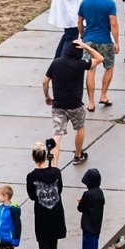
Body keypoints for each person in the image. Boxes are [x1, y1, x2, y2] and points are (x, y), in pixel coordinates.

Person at [43, 38, 101, 166]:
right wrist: (86, 46)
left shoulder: (56, 63)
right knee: (80, 128)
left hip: (58, 105)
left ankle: (54, 165)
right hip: (75, 105)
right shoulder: (80, 64)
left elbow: (45, 81)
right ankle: (78, 155)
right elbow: (99, 58)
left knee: (57, 135)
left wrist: (47, 96)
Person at [26, 141, 66, 249]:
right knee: (53, 244)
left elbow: (31, 196)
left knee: (43, 245)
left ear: (33, 157)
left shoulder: (32, 176)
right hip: (56, 212)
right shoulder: (57, 172)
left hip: (42, 214)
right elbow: (59, 190)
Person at [77, 0, 120, 108]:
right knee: (109, 67)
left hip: (89, 40)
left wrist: (83, 35)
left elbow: (79, 21)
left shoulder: (85, 2)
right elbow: (113, 24)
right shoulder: (110, 3)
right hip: (105, 40)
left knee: (90, 70)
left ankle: (90, 102)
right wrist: (117, 41)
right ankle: (103, 95)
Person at [78, 168, 105, 249]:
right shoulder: (100, 193)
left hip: (88, 227)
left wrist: (81, 202)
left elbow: (81, 208)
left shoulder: (87, 194)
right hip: (96, 226)